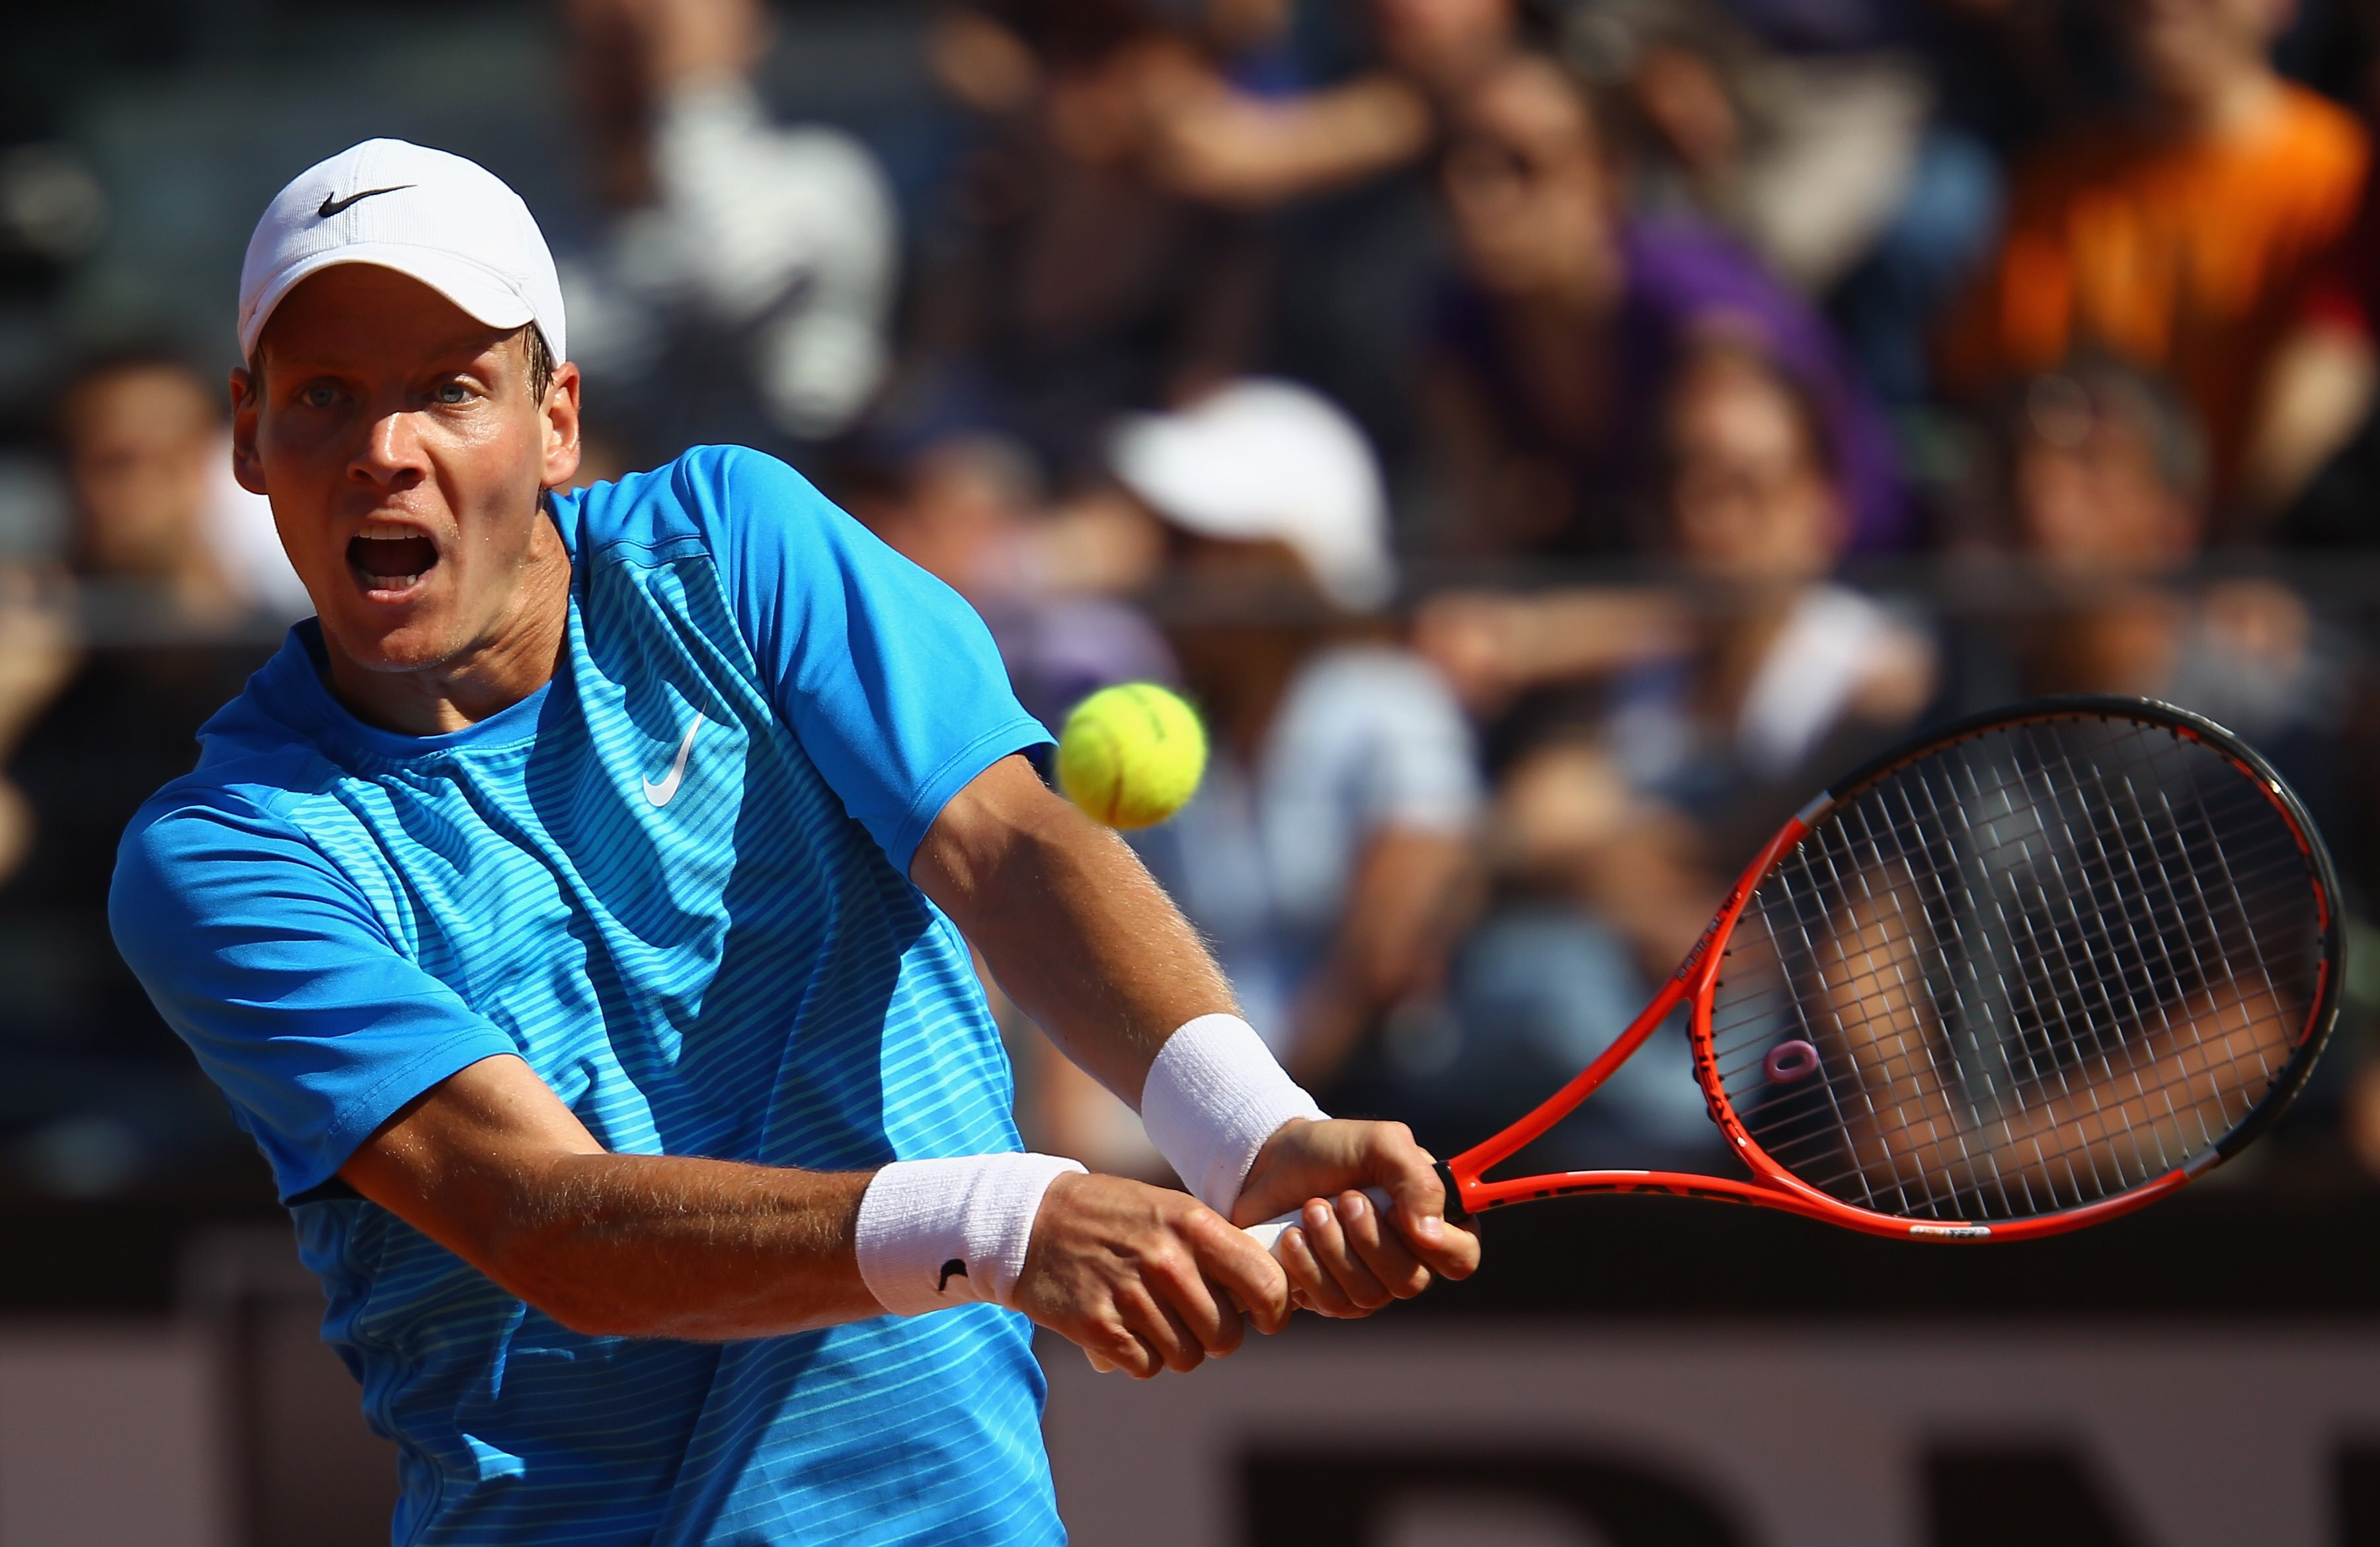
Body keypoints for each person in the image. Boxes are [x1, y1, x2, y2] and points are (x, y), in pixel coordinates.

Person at [107, 139, 1476, 1544]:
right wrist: (1007, 1226)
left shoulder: (736, 546)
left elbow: (1005, 845)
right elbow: (552, 1224)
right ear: (248, 434)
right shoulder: (226, 854)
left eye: (451, 391)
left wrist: (1252, 1134)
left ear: (556, 420)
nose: (386, 450)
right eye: (326, 396)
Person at [1423, 51, 1905, 559]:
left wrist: (1550, 638)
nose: (1473, 194)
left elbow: (1743, 563)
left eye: (1520, 164)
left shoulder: (1699, 316)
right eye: (1451, 162)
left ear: (1608, 176)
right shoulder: (1458, 326)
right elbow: (1477, 537)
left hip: (1853, 590)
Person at [1939, 0, 2372, 527]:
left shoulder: (2342, 185)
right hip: (2085, 563)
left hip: (2271, 562)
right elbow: (2002, 393)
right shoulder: (2054, 191)